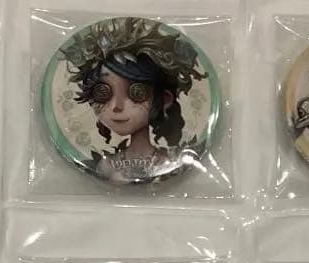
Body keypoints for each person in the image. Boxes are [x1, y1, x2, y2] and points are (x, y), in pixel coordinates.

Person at [59, 17, 208, 183]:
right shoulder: (106, 165)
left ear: (164, 99)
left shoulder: (171, 161)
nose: (116, 106)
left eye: (137, 93)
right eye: (103, 92)